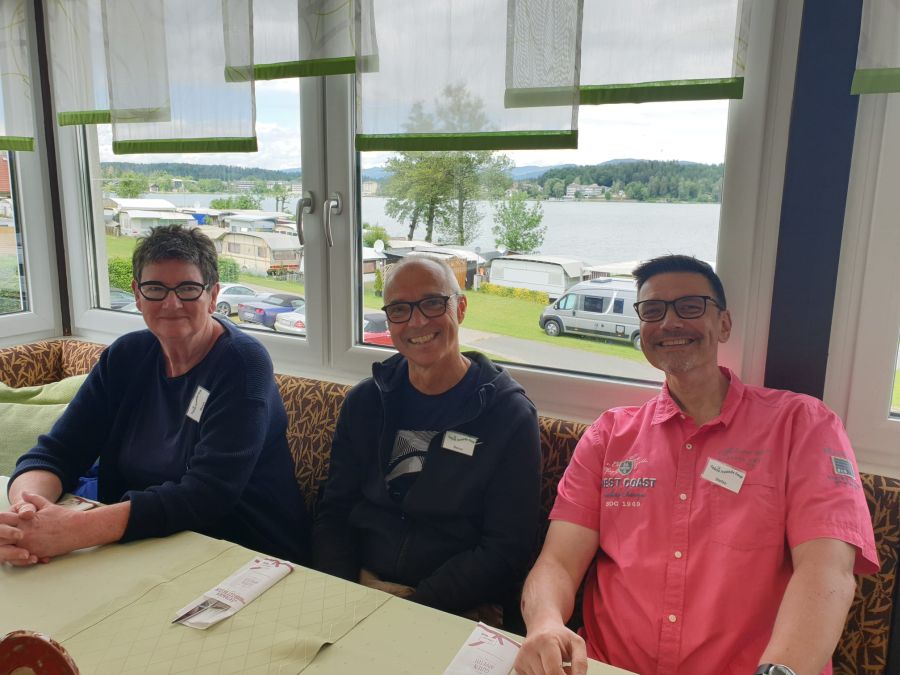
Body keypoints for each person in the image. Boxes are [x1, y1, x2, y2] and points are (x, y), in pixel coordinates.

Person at [514, 254, 878, 675]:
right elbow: (557, 563)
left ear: (724, 324)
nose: (669, 322)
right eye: (653, 310)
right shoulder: (609, 435)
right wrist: (544, 624)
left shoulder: (802, 426)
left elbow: (827, 571)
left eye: (690, 306)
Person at [1, 225, 310, 566]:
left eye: (188, 288)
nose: (171, 303)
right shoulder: (126, 357)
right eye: (155, 288)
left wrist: (73, 530)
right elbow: (58, 451)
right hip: (140, 542)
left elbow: (208, 494)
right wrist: (26, 515)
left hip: (240, 550)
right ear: (137, 294)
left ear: (213, 295)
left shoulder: (242, 364)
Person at [312, 255, 541, 624]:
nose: (416, 321)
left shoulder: (508, 415)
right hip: (358, 587)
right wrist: (350, 583)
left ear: (460, 308)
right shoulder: (365, 402)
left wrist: (418, 603)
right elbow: (334, 510)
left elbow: (506, 547)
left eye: (433, 303)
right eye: (399, 309)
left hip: (453, 605)